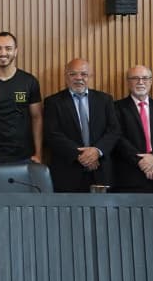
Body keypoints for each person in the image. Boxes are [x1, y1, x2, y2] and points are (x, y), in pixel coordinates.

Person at [42, 58, 120, 192]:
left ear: (90, 76)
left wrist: (96, 151)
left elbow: (114, 130)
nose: (78, 78)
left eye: (83, 74)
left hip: (100, 170)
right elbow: (52, 134)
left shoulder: (105, 100)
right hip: (68, 172)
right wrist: (82, 156)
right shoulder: (53, 102)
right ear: (66, 76)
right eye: (73, 74)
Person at [0, 32, 43, 164]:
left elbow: (37, 117)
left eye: (8, 48)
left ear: (16, 51)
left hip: (23, 157)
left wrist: (38, 153)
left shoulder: (29, 81)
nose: (3, 53)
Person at [112, 65, 153, 193]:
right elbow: (118, 139)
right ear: (128, 82)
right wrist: (143, 162)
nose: (140, 82)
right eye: (135, 78)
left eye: (145, 78)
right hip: (130, 178)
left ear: (151, 81)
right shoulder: (116, 108)